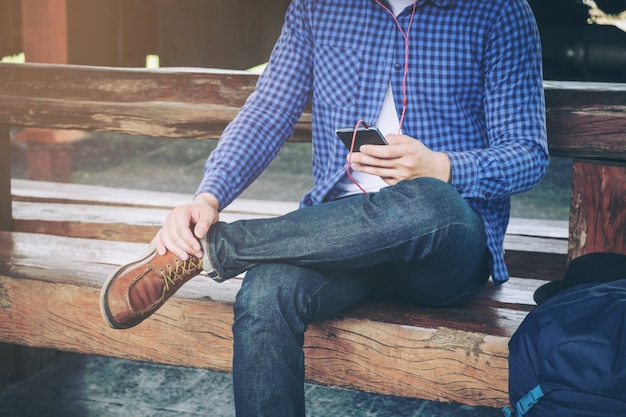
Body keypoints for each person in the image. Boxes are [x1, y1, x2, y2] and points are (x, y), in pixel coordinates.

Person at [100, 0, 548, 415]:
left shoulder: (499, 10)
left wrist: (441, 166)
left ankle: (216, 247)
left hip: (445, 245)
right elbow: (269, 111)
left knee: (429, 199)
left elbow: (529, 153)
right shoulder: (318, 5)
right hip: (338, 235)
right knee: (265, 289)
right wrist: (208, 197)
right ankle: (217, 245)